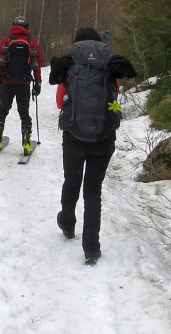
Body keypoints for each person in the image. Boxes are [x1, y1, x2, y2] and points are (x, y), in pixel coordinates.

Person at [48, 26, 136, 264]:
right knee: (93, 191)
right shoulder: (110, 66)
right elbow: (113, 96)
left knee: (72, 181)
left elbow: (60, 103)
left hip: (74, 136)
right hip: (103, 138)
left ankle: (67, 223)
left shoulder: (69, 65)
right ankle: (91, 248)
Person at [0, 16, 43, 155]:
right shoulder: (32, 42)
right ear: (27, 27)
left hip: (7, 82)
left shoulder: (6, 40)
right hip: (24, 84)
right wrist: (38, 82)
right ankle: (26, 144)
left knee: (3, 111)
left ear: (13, 25)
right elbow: (37, 65)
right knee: (24, 113)